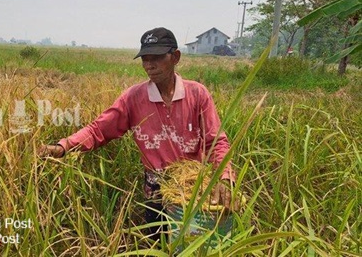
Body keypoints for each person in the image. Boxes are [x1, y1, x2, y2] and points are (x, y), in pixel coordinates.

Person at [38, 27, 237, 241]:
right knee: (157, 243)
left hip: (192, 190)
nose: (150, 65)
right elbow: (99, 130)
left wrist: (224, 179)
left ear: (175, 57)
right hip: (156, 191)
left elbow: (216, 142)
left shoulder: (197, 94)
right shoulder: (133, 98)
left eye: (158, 58)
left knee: (192, 244)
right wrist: (63, 146)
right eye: (145, 59)